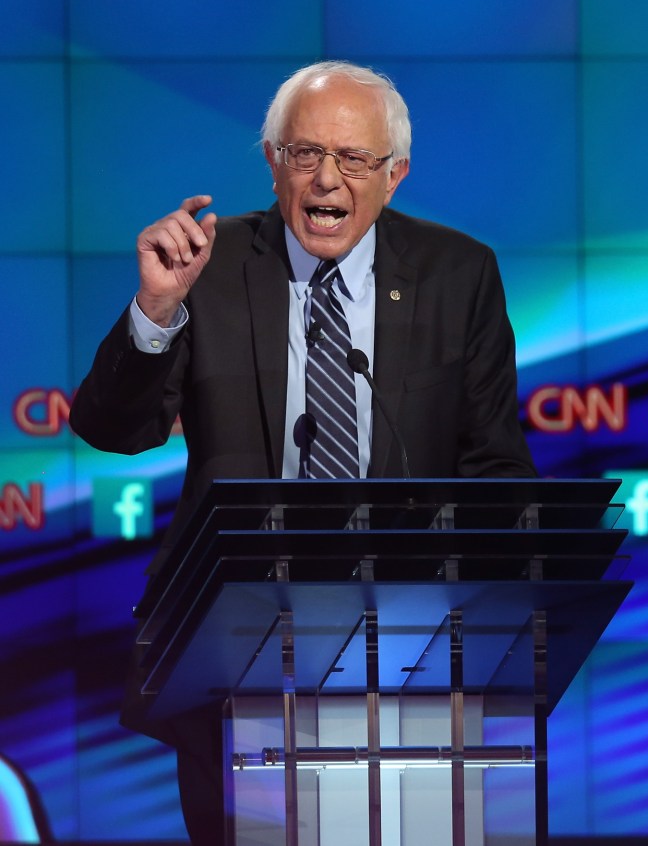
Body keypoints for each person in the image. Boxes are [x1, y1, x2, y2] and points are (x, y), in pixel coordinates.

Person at [69, 60, 536, 841]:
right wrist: (157, 308)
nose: (327, 180)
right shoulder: (209, 271)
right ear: (271, 161)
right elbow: (114, 430)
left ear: (395, 176)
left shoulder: (459, 274)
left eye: (353, 160)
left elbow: (494, 467)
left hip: (406, 650)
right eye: (305, 154)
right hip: (233, 644)